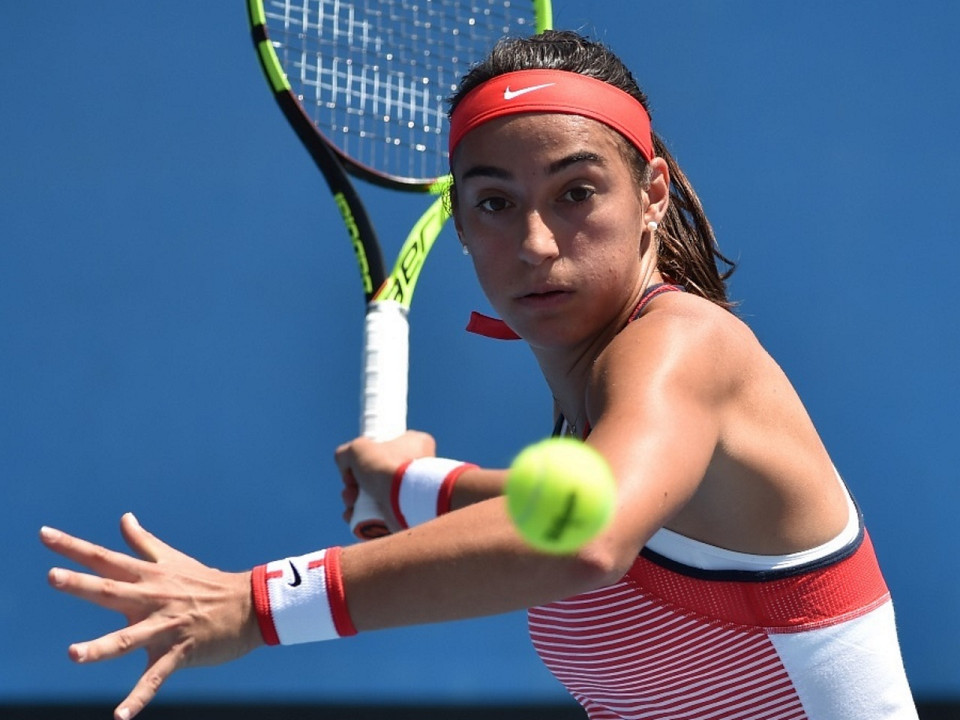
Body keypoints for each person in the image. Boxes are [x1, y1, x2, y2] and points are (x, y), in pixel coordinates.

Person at [41, 30, 917, 720]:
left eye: (577, 192)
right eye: (495, 203)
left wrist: (255, 605)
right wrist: (420, 486)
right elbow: (584, 507)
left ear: (649, 195)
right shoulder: (594, 410)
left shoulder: (685, 347)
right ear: (458, 224)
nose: (536, 243)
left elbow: (585, 537)